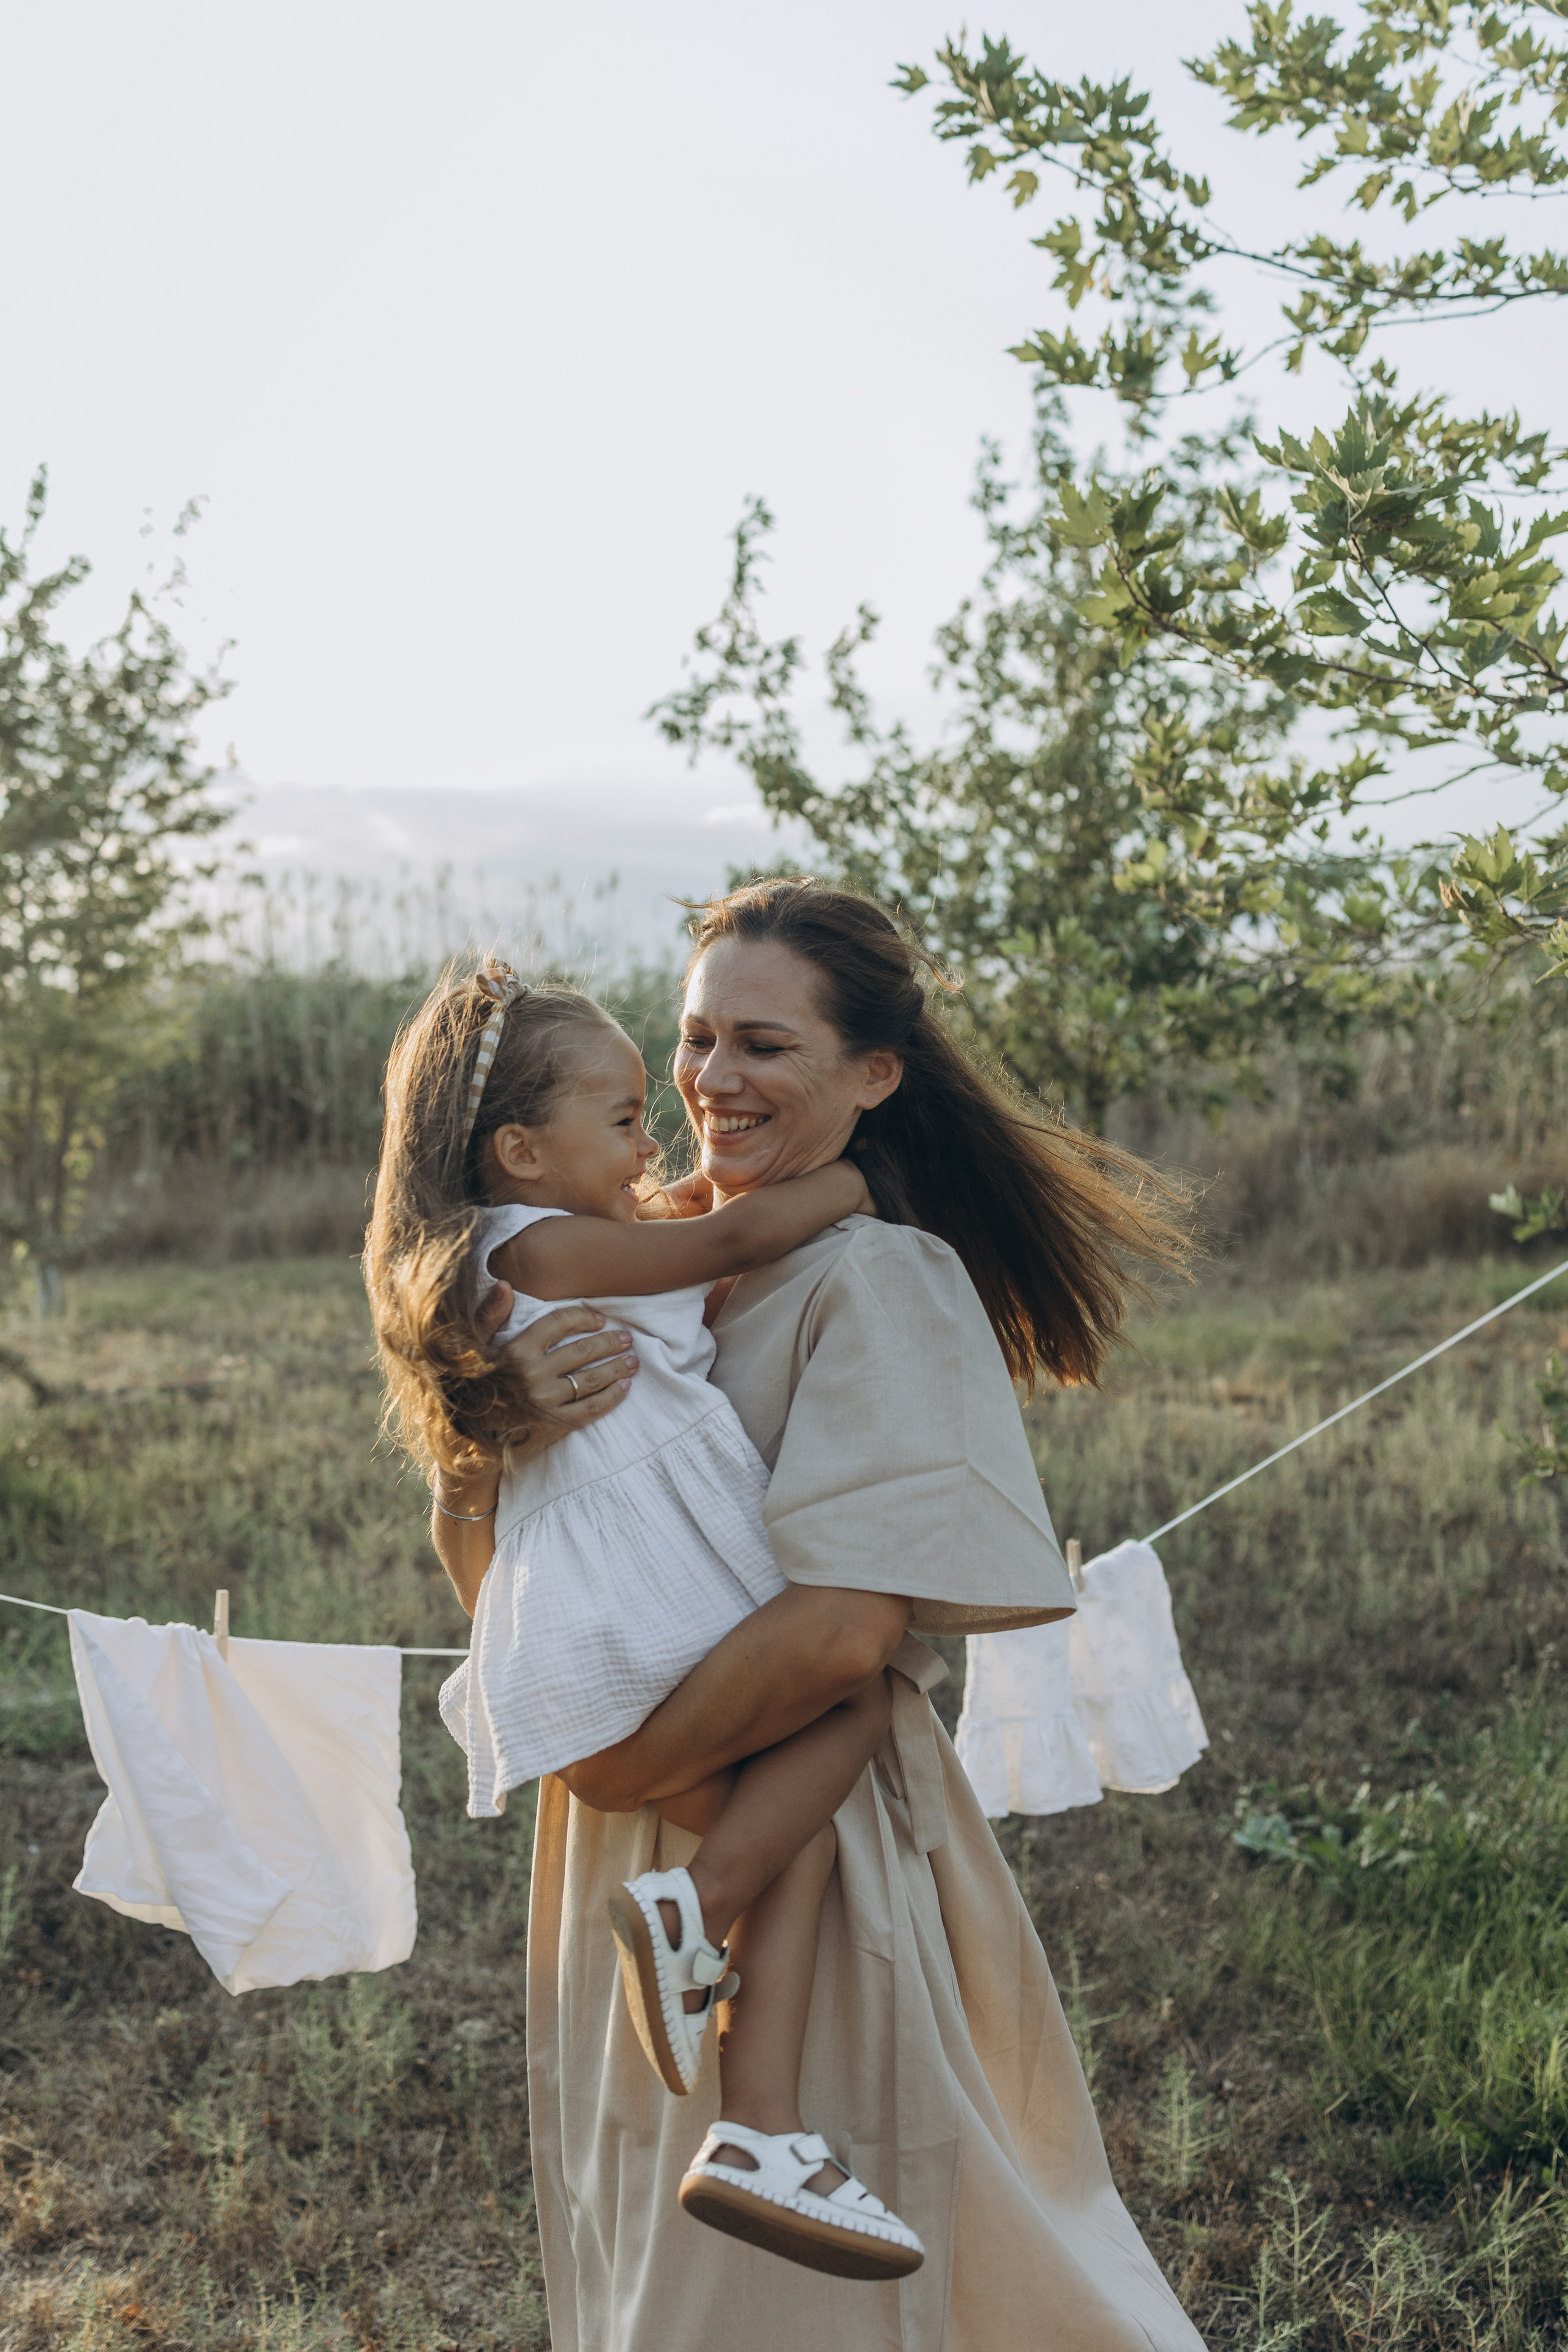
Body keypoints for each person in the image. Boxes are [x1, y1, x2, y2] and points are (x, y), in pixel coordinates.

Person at [431, 879, 1208, 2351]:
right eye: (696, 1037)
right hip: (632, 1847)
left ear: (873, 1075)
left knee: (812, 2312)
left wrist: (609, 1756)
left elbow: (850, 1633)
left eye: (766, 1047)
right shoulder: (612, 1261)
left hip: (802, 1843)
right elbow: (489, 1577)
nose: (714, 1082)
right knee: (648, 2278)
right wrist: (483, 1434)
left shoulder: (875, 1276)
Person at [364, 964, 927, 2277]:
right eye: (621, 1117)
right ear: (518, 1151)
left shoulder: (526, 1258)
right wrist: (853, 1183)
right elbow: (721, 1244)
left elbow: (679, 1232)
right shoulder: (534, 1244)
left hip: (601, 1654)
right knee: (848, 1696)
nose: (654, 1136)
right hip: (641, 1634)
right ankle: (690, 1910)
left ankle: (759, 2130)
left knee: (796, 1824)